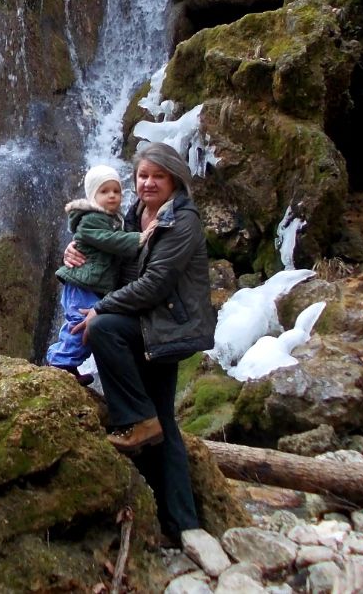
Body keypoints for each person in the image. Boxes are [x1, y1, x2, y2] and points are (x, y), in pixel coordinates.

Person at [65, 141, 215, 541]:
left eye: (158, 176)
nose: (148, 183)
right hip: (144, 322)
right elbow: (115, 259)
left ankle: (133, 418)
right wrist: (76, 250)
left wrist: (103, 308)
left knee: (102, 329)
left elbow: (155, 283)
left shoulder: (182, 221)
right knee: (162, 421)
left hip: (167, 327)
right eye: (142, 176)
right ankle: (180, 525)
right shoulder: (134, 214)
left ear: (174, 179)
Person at [45, 165, 152, 383]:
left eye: (116, 191)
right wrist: (139, 238)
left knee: (85, 325)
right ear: (93, 195)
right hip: (82, 284)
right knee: (80, 322)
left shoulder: (116, 219)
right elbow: (108, 240)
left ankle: (68, 364)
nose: (112, 195)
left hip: (93, 285)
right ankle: (60, 363)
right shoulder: (93, 219)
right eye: (104, 191)